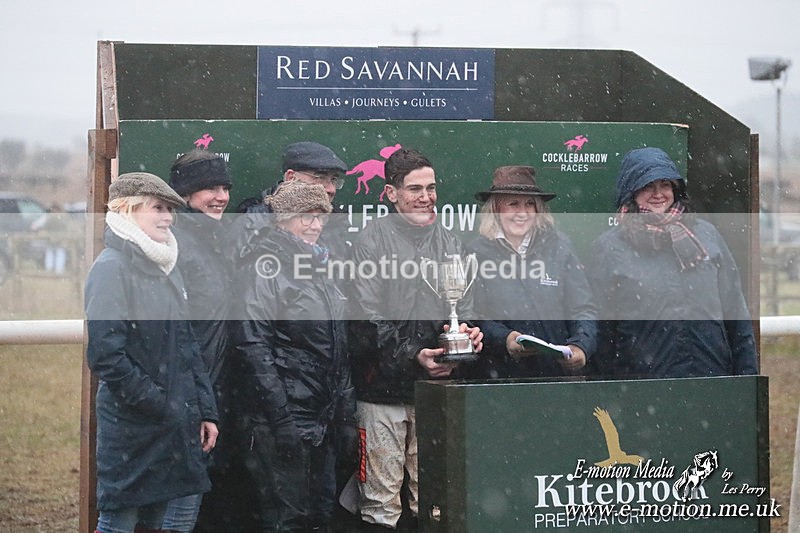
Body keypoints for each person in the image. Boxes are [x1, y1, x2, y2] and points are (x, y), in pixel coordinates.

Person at [347, 147, 483, 530]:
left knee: (435, 498)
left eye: (432, 187)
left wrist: (467, 336)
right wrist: (413, 356)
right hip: (382, 396)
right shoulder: (370, 243)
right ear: (391, 193)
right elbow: (365, 322)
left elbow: (465, 308)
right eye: (415, 189)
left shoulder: (452, 243)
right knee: (380, 503)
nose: (426, 197)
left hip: (435, 393)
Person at [84, 172, 218, 533]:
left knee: (173, 518)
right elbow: (106, 357)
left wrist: (205, 410)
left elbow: (187, 345)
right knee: (120, 521)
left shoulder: (165, 264)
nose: (168, 217)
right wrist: (163, 406)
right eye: (158, 208)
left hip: (176, 424)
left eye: (170, 209)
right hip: (134, 428)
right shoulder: (111, 269)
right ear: (127, 210)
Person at [228, 179, 357, 531]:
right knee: (289, 520)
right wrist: (281, 419)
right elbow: (253, 346)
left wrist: (345, 414)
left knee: (321, 516)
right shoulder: (263, 267)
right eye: (306, 216)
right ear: (283, 219)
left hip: (322, 420)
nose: (315, 225)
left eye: (320, 217)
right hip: (280, 422)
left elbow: (338, 347)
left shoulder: (322, 268)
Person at [587, 147, 758, 378]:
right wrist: (607, 395)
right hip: (641, 388)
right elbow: (601, 334)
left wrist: (747, 380)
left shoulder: (706, 236)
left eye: (665, 184)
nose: (658, 193)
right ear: (631, 191)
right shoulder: (609, 248)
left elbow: (736, 315)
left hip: (712, 380)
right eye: (648, 185)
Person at [161, 150, 241, 532]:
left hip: (218, 393)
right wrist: (189, 399)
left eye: (225, 186)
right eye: (210, 187)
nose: (221, 196)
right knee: (178, 510)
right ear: (185, 193)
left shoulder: (218, 239)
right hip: (189, 395)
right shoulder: (174, 244)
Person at [466, 165, 596, 379]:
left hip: (557, 377)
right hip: (499, 381)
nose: (522, 212)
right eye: (513, 204)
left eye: (529, 204)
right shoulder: (476, 252)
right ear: (496, 209)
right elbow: (475, 318)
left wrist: (581, 346)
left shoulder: (560, 245)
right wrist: (505, 339)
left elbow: (583, 307)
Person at [233, 141, 351, 261]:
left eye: (334, 179)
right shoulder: (254, 223)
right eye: (320, 178)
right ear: (290, 178)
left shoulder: (335, 222)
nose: (331, 189)